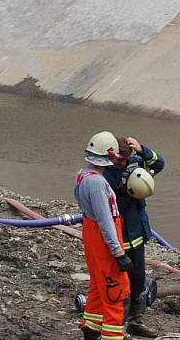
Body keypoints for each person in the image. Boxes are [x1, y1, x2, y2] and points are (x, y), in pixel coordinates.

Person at [105, 136, 164, 338]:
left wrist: (141, 150)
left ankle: (135, 321)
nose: (121, 163)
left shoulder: (135, 162)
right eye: (117, 160)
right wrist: (129, 193)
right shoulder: (105, 175)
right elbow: (114, 209)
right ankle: (116, 324)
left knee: (138, 281)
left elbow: (159, 164)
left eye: (124, 159)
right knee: (117, 284)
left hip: (137, 235)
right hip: (117, 241)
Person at [74, 131, 132, 340]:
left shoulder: (83, 174)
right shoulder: (97, 182)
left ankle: (91, 330)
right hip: (103, 238)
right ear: (108, 155)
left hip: (91, 234)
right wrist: (118, 253)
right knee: (114, 290)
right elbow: (105, 219)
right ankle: (112, 335)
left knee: (98, 285)